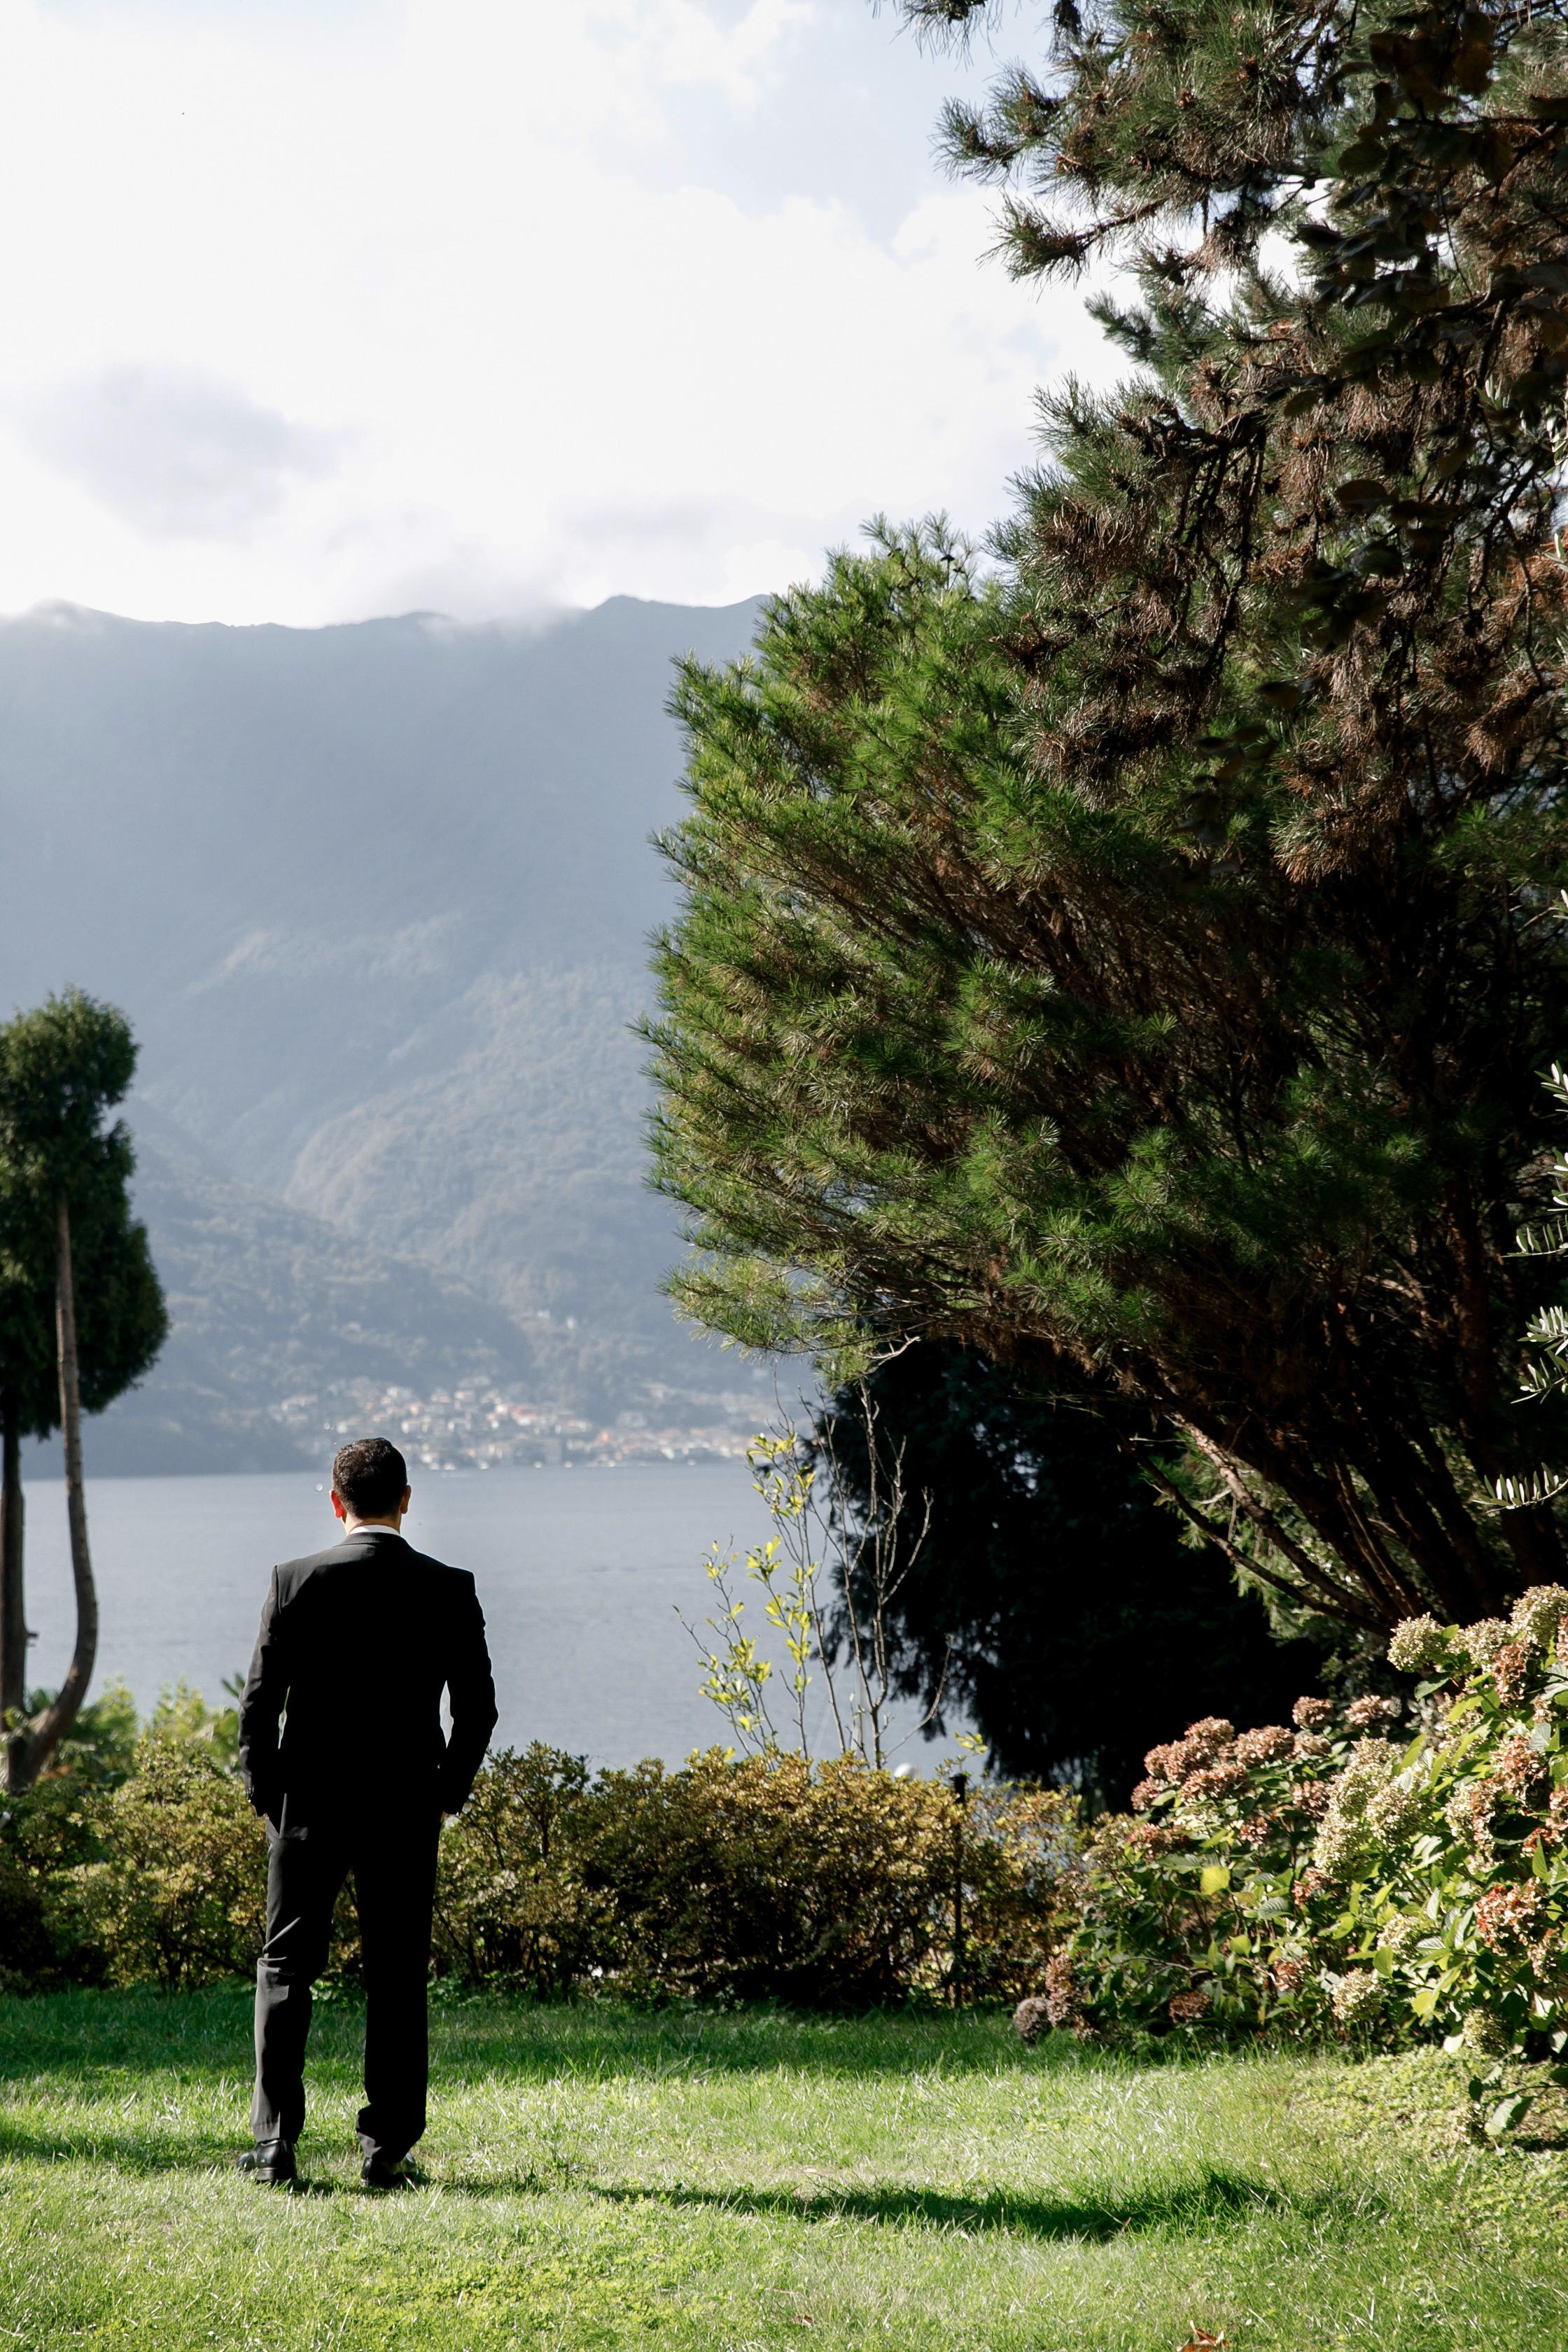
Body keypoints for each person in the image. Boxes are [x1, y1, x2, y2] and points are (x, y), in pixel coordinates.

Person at [234, 1436, 498, 2190]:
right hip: (404, 1807)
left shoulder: (294, 1582)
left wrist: (269, 1797)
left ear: (335, 1501)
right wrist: (445, 1790)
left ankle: (275, 2144)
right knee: (396, 1977)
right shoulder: (449, 1588)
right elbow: (476, 1711)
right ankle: (386, 2149)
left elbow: (258, 1708)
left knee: (285, 1967)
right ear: (406, 1500)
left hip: (306, 1805)